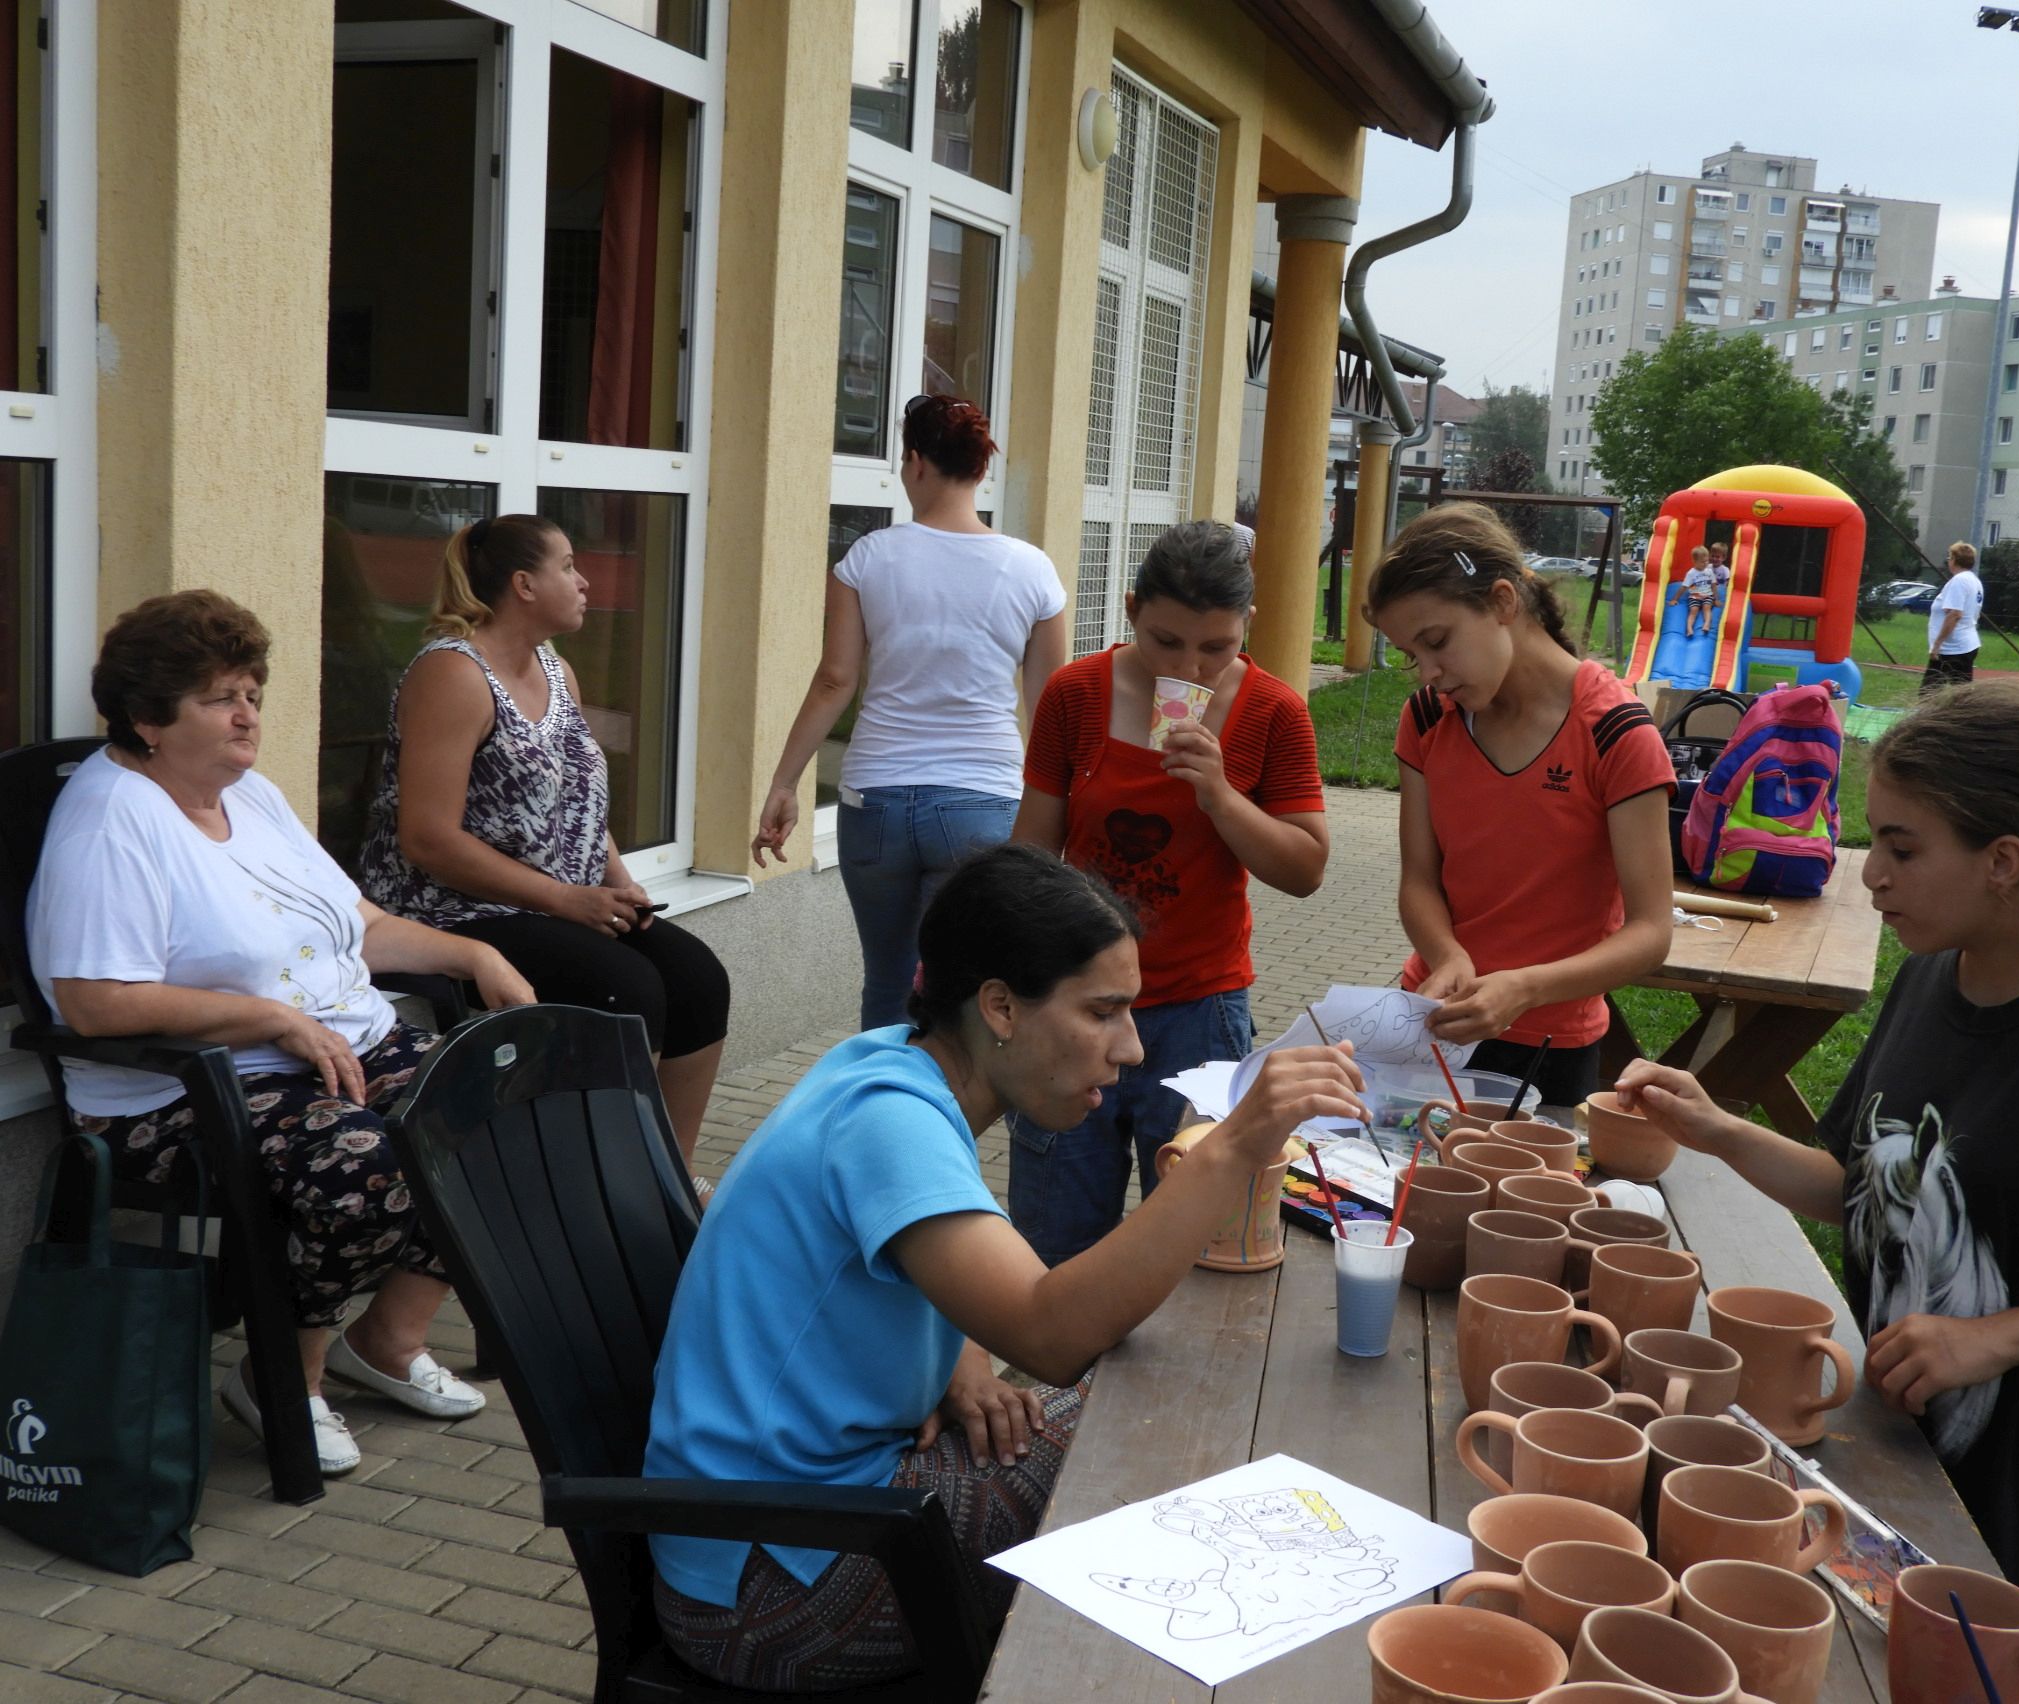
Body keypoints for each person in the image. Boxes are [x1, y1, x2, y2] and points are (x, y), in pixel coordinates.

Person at [1613, 683, 2019, 1704]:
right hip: (1901, 1489)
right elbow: (1861, 1190)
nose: (1867, 874)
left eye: (1901, 848)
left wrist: (1995, 1336)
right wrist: (1715, 1129)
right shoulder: (1934, 974)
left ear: (2004, 861)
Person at [643, 843, 1366, 1691]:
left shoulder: (888, 1066)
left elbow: (886, 1266)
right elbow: (1053, 1333)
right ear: (1001, 1007)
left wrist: (959, 1356)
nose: (1130, 1048)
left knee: (1152, 1435)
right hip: (775, 1583)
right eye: (1103, 1013)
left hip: (791, 1531)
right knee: (1157, 1438)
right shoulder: (890, 1123)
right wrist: (1235, 1146)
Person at [28, 591, 539, 1476]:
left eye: (253, 693)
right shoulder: (112, 821)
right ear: (149, 718)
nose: (247, 716)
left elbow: (361, 925)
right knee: (370, 1163)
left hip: (329, 1050)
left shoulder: (250, 795)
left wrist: (473, 953)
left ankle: (385, 1340)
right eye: (220, 698)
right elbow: (95, 1001)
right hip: (182, 1093)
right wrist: (270, 1018)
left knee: (502, 1106)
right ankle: (281, 1380)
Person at [360, 514, 731, 1171]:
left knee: (700, 980)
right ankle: (605, 1190)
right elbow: (427, 838)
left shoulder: (556, 671)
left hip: (558, 902)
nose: (585, 581)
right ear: (524, 585)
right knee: (627, 990)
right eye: (567, 567)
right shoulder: (453, 674)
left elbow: (578, 797)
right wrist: (566, 900)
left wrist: (617, 880)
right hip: (461, 908)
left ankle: (668, 1180)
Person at [1008, 520, 1328, 1264]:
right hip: (1072, 1004)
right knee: (1055, 1236)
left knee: (1194, 1242)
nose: (1189, 666)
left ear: (1246, 627)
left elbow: (1306, 869)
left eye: (1215, 647)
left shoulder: (1274, 712)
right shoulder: (1075, 695)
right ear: (1130, 612)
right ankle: (1060, 1380)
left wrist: (1221, 796)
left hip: (1196, 1010)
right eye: (1166, 641)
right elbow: (1031, 852)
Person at [752, 394, 1068, 1031]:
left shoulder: (868, 559)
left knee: (889, 981)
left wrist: (785, 784)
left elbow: (834, 680)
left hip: (876, 806)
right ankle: (945, 1122)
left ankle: (879, 1118)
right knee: (960, 988)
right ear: (981, 469)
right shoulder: (1031, 569)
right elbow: (1050, 706)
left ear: (916, 462)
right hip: (984, 799)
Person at [1364, 502, 1675, 1109]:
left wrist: (1525, 989)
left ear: (1503, 603)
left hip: (1549, 1046)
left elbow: (1650, 933)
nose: (1428, 673)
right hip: (1432, 1022)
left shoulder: (1616, 732)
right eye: (1411, 655)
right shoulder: (1429, 719)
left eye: (1436, 642)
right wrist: (1447, 955)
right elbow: (1420, 882)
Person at [1923, 540, 1986, 691]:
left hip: (1952, 649)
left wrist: (1937, 645)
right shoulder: (1974, 581)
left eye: (1950, 558)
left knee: (1929, 692)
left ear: (1955, 560)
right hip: (1964, 645)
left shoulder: (1960, 581)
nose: (1948, 561)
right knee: (1960, 693)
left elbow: (1955, 614)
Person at [1680, 545, 1717, 639]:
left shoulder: (1709, 572)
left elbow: (1713, 585)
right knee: (1693, 611)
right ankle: (1689, 629)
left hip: (1707, 595)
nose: (1705, 564)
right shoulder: (1691, 573)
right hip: (1695, 596)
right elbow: (1685, 586)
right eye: (1702, 562)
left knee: (1707, 607)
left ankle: (1707, 624)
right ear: (1694, 561)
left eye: (1706, 561)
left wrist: (1716, 599)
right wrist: (1675, 598)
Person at [1706, 539, 1732, 613]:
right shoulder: (1707, 567)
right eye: (1713, 556)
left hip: (1719, 593)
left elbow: (1727, 582)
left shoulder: (1725, 570)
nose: (1714, 559)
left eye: (1717, 557)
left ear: (1723, 558)